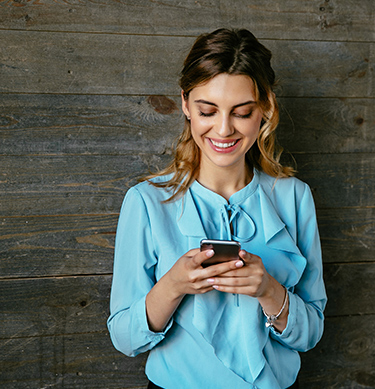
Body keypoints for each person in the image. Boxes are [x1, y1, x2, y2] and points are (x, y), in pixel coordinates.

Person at [107, 28, 327, 389]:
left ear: (266, 108)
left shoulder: (295, 198)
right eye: (207, 110)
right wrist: (174, 285)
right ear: (185, 104)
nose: (223, 130)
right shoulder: (146, 203)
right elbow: (125, 339)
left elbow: (311, 334)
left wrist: (270, 291)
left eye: (242, 112)